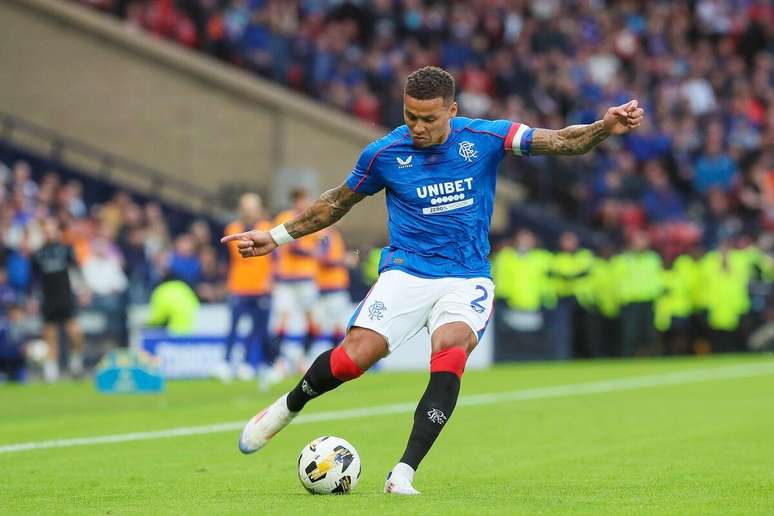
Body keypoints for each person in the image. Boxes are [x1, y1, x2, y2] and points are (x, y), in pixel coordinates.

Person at [222, 66, 644, 495]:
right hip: (407, 272)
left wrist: (603, 127)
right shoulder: (384, 154)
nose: (417, 128)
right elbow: (335, 203)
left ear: (452, 111)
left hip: (466, 278)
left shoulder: (485, 138)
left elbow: (561, 140)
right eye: (410, 117)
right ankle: (286, 408)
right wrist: (275, 237)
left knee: (451, 350)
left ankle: (403, 472)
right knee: (352, 360)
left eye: (429, 119)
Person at [217, 193, 274, 383]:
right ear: (240, 209)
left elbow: (274, 257)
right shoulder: (232, 228)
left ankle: (250, 364)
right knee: (233, 327)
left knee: (259, 329)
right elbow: (238, 253)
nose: (249, 211)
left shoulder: (268, 228)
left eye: (253, 207)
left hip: (261, 286)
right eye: (246, 207)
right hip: (239, 286)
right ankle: (226, 363)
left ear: (259, 209)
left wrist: (271, 278)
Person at [30, 218, 86, 382]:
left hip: (66, 297)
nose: (49, 232)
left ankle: (75, 364)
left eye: (52, 228)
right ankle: (51, 370)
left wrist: (83, 290)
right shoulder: (38, 254)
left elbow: (76, 270)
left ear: (57, 231)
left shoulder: (66, 250)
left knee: (74, 333)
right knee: (50, 335)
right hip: (48, 298)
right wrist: (33, 299)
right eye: (46, 229)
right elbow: (34, 280)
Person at [270, 188, 320, 371]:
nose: (304, 204)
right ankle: (279, 361)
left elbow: (323, 242)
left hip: (307, 278)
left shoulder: (315, 218)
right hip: (286, 279)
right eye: (300, 200)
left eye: (306, 199)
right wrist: (311, 251)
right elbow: (287, 243)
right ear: (294, 201)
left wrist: (319, 250)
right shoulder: (284, 217)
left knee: (313, 322)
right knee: (282, 320)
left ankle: (302, 359)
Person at [309, 225, 351, 360]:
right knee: (330, 327)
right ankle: (322, 359)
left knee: (333, 326)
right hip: (330, 288)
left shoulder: (333, 235)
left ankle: (332, 358)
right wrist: (342, 260)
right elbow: (322, 258)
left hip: (333, 287)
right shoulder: (325, 236)